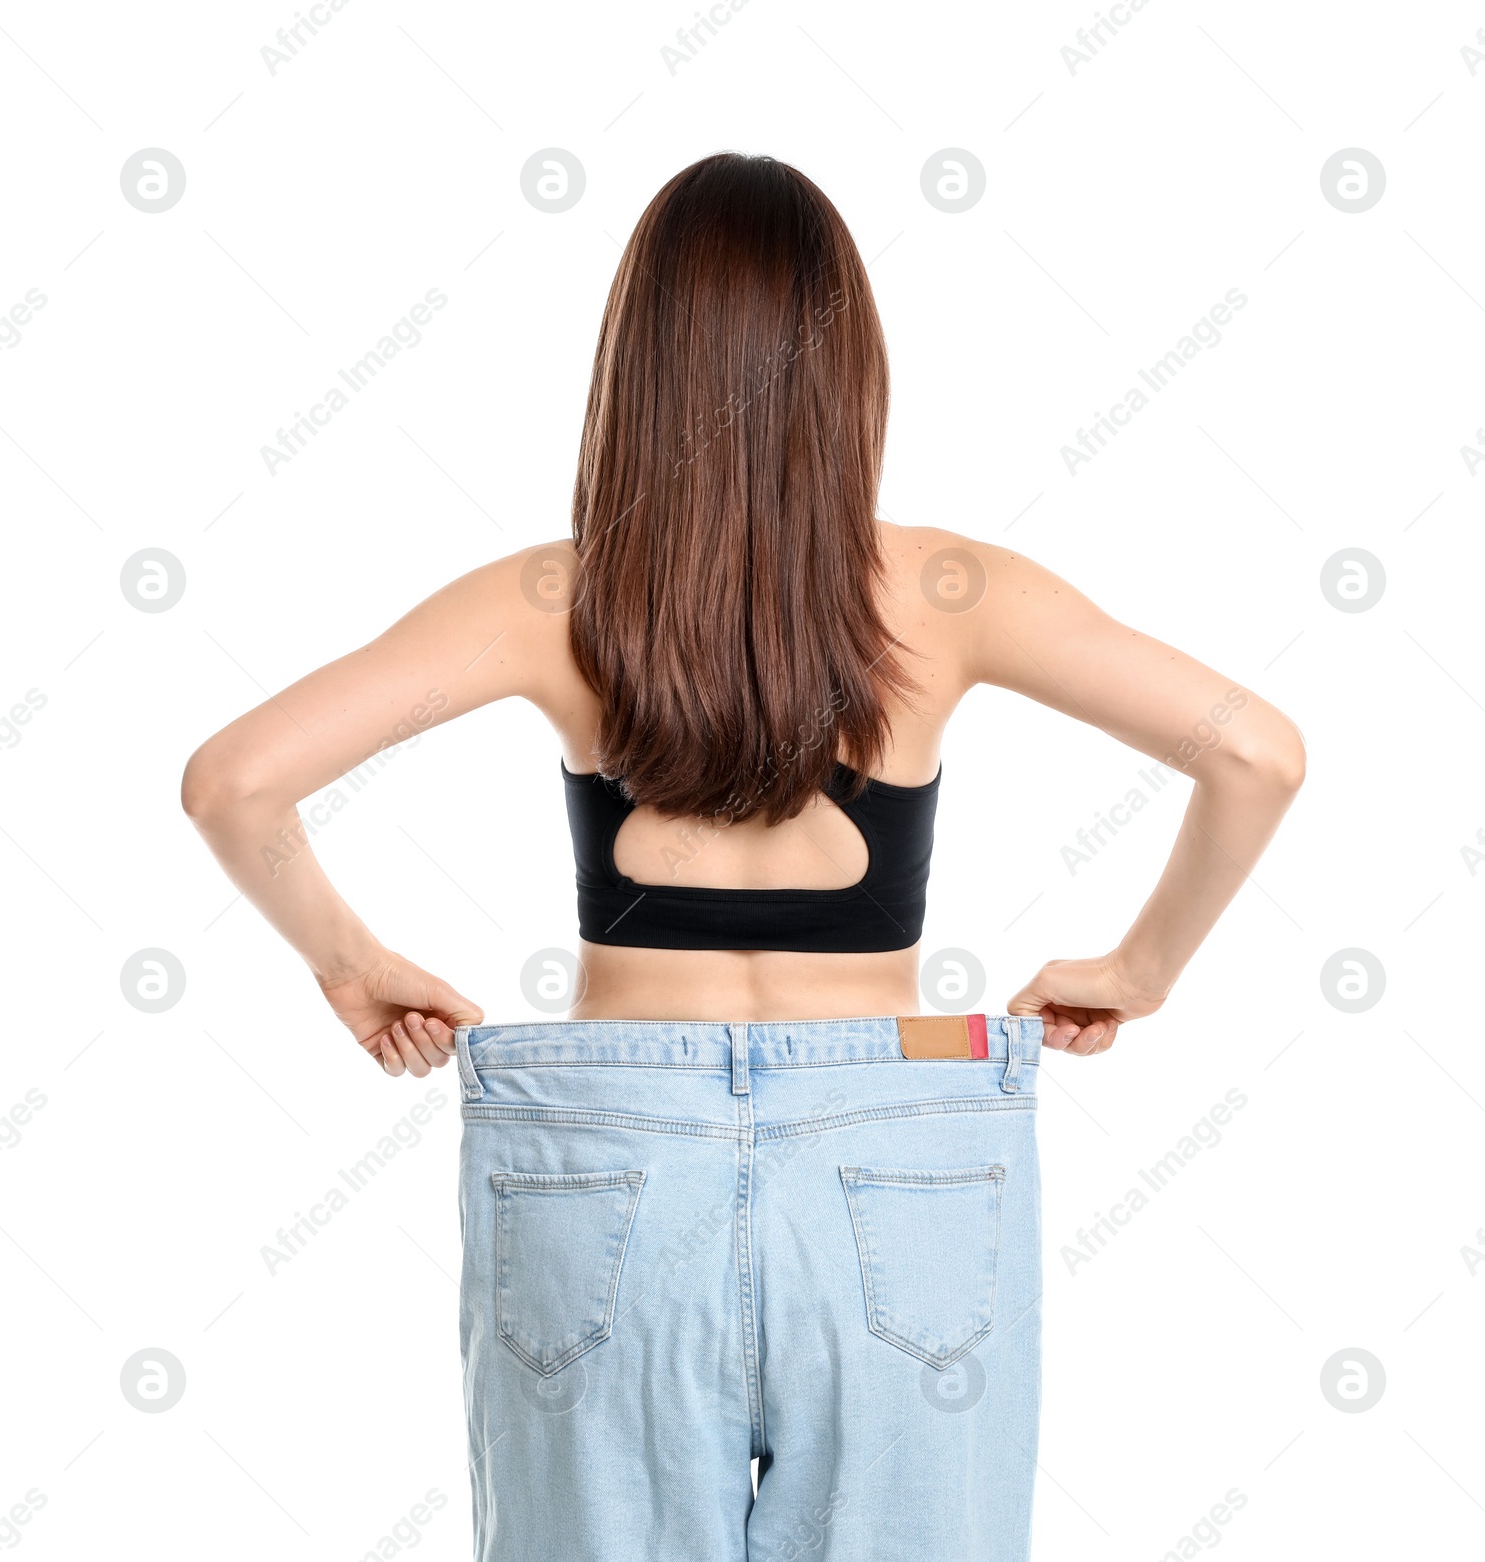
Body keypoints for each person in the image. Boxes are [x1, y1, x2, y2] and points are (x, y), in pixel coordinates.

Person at [182, 151, 1305, 1562]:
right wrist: (1142, 966)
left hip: (606, 1163)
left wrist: (348, 961)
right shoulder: (952, 592)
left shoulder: (552, 597)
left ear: (636, 366)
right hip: (907, 1155)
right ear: (853, 370)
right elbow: (1255, 752)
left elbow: (234, 780)